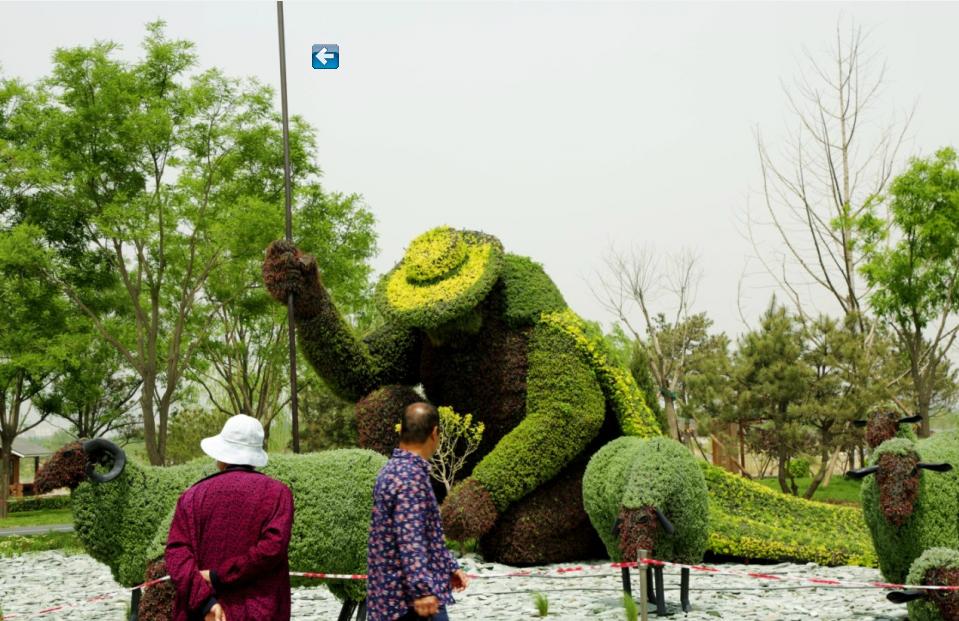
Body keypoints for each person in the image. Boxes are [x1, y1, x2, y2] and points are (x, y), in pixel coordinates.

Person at [166, 414, 294, 621]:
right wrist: (219, 576)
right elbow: (271, 549)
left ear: (221, 456)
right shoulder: (278, 494)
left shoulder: (191, 497)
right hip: (260, 612)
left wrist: (205, 602)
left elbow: (177, 555)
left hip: (201, 614)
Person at [367, 402, 470, 621]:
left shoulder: (390, 471)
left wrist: (450, 566)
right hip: (409, 605)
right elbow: (410, 537)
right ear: (434, 433)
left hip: (391, 600)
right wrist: (423, 590)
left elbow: (425, 533)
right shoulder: (410, 478)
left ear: (402, 430)